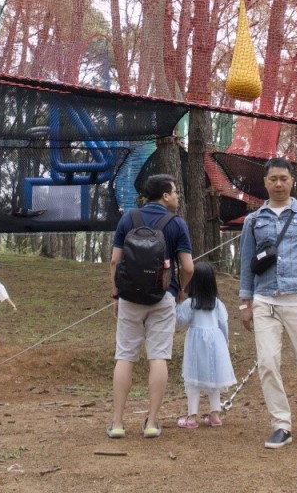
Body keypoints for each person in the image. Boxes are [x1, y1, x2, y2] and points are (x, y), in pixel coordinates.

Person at [239, 157, 297, 449]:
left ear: (292, 181)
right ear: (265, 182)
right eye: (273, 179)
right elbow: (247, 263)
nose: (278, 184)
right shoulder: (254, 220)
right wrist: (246, 301)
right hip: (265, 300)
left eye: (283, 179)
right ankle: (281, 424)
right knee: (267, 362)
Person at [107, 173, 195, 440]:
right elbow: (189, 267)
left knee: (125, 356)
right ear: (165, 195)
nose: (178, 197)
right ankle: (152, 423)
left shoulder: (128, 219)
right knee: (158, 356)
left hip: (130, 298)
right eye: (175, 192)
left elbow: (114, 262)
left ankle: (118, 423)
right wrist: (179, 289)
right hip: (163, 298)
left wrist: (116, 295)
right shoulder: (176, 224)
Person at [175, 261, 236, 429]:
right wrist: (224, 342)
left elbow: (178, 321)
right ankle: (215, 415)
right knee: (214, 377)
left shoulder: (191, 304)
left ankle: (192, 417)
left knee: (193, 380)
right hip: (216, 343)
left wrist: (176, 303)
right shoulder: (217, 304)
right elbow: (224, 324)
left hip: (195, 344)